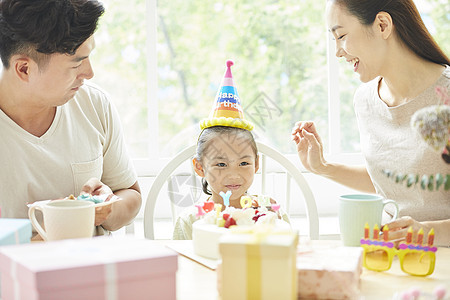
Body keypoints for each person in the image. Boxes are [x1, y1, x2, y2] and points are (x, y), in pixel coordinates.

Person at [292, 0, 450, 246]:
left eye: (341, 35)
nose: (337, 52)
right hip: (389, 253)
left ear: (382, 25)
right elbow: (392, 181)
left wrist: (425, 232)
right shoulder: (365, 100)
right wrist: (322, 166)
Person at [0, 0, 142, 235]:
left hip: (91, 268)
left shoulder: (94, 105)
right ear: (24, 69)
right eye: (77, 64)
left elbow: (130, 194)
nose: (90, 73)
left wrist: (108, 209)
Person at [173, 61, 289, 239]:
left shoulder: (269, 212)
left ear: (256, 164)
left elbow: (284, 256)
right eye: (221, 164)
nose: (233, 174)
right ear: (199, 167)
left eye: (244, 163)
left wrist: (275, 223)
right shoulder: (190, 221)